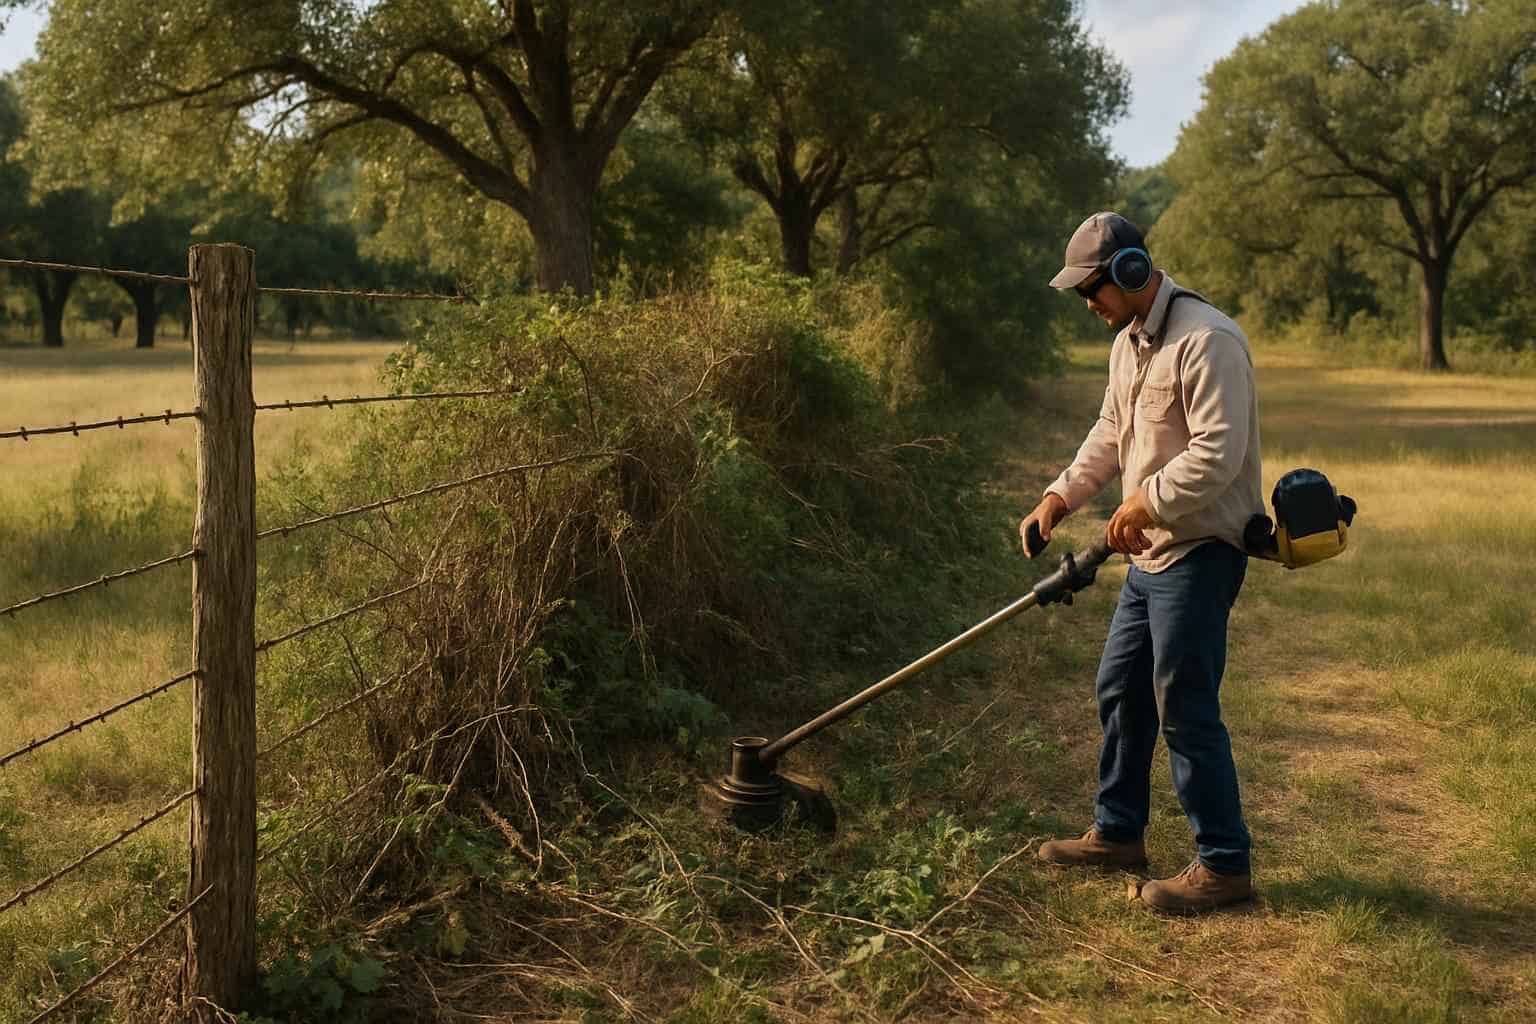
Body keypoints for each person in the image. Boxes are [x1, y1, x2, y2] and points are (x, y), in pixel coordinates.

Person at [1021, 211, 1264, 915]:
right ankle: (1119, 834)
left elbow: (1218, 453)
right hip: (1149, 556)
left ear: (1131, 271)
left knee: (1184, 705)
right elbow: (1110, 429)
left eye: (1092, 289)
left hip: (1200, 549)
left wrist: (1147, 502)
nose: (1087, 304)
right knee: (1122, 690)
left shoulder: (1207, 340)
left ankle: (1224, 865)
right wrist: (1060, 496)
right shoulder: (1128, 344)